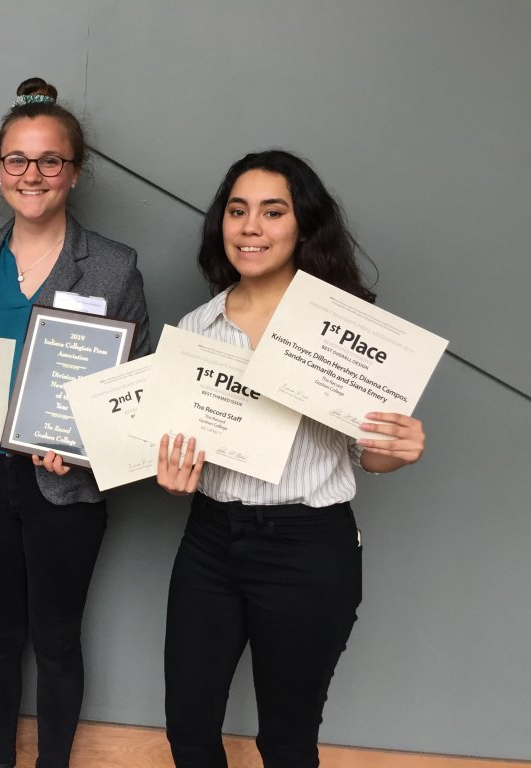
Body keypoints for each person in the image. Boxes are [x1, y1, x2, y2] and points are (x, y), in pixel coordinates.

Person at [0, 78, 150, 768]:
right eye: (17, 159)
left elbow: (136, 393)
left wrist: (87, 447)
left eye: (49, 161)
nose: (31, 174)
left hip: (64, 486)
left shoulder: (114, 266)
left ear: (74, 171)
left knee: (58, 640)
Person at [156, 149, 427, 768]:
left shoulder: (346, 329)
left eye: (272, 211)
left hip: (309, 547)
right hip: (211, 541)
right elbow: (177, 448)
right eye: (237, 211)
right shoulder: (196, 329)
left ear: (303, 224)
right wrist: (172, 476)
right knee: (189, 733)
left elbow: (370, 456)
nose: (251, 227)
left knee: (287, 742)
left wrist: (399, 451)